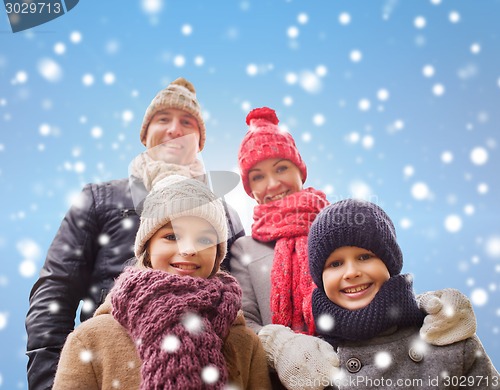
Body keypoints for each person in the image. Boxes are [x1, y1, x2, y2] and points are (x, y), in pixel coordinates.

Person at [230, 107, 479, 389]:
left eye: (281, 168)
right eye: (258, 176)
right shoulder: (243, 248)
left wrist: (431, 309)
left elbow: (384, 283)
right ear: (249, 187)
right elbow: (243, 322)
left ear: (300, 170)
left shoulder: (340, 223)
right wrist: (282, 345)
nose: (272, 183)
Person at [26, 78, 245, 390]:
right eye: (163, 119)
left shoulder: (225, 214)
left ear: (199, 141)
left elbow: (241, 302)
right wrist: (54, 381)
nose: (174, 129)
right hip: (112, 369)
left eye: (187, 122)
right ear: (145, 135)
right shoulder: (100, 198)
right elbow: (56, 290)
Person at [52, 175, 271, 389]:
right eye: (172, 236)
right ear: (147, 248)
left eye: (205, 239)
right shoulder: (91, 339)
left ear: (217, 255)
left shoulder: (244, 343)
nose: (189, 250)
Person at [306, 199, 499, 389]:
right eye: (335, 264)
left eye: (364, 257)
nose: (351, 272)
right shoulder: (314, 361)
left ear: (390, 264)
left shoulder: (447, 339)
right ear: (320, 278)